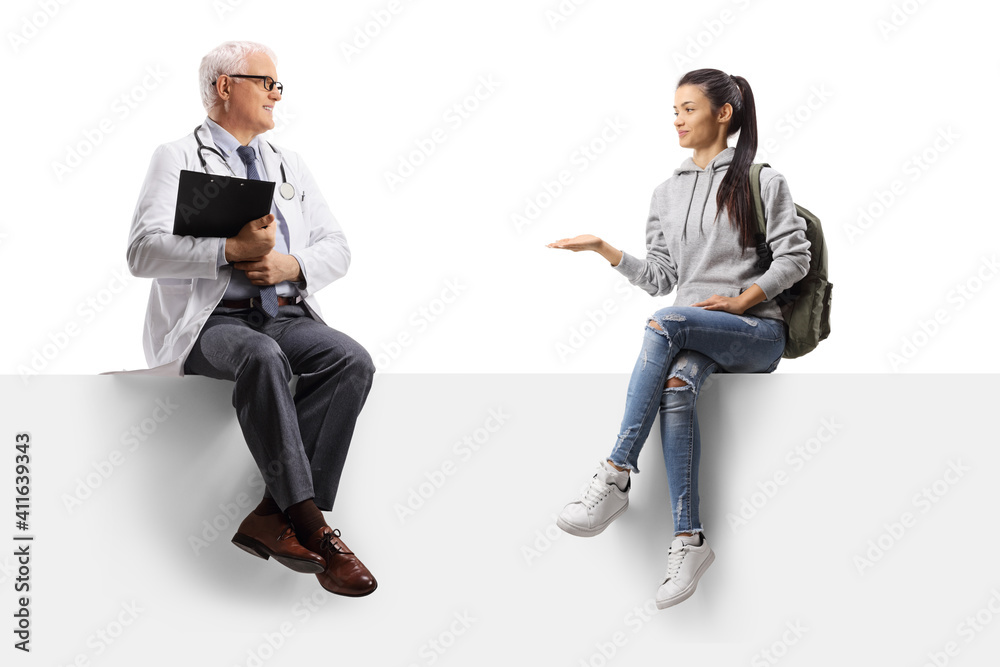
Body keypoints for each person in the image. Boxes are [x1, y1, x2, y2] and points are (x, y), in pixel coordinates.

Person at [547, 69, 810, 609]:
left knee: (667, 322)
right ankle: (689, 540)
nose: (677, 120)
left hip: (756, 331)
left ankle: (616, 473)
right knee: (675, 384)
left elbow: (795, 258)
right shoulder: (665, 193)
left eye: (688, 109)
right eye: (674, 110)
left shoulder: (761, 180)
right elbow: (663, 280)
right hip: (693, 334)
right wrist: (605, 250)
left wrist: (741, 300)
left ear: (723, 113)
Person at [126, 40, 377, 597]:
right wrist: (229, 251)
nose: (275, 95)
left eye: (277, 85)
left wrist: (292, 263)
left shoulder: (289, 162)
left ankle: (272, 515)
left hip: (285, 312)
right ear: (224, 86)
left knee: (351, 359)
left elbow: (337, 246)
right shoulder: (176, 156)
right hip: (212, 323)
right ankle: (316, 528)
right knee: (260, 357)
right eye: (266, 83)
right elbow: (142, 252)